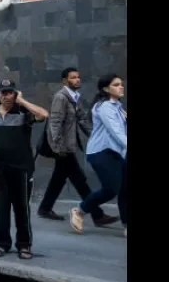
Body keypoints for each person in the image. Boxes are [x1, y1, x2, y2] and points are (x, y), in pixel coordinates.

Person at [39, 68, 116, 225]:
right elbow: (55, 123)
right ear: (65, 81)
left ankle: (45, 208)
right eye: (73, 78)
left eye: (79, 77)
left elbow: (82, 120)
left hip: (67, 147)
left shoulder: (75, 98)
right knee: (79, 180)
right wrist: (58, 147)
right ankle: (97, 214)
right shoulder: (61, 97)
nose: (77, 80)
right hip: (62, 148)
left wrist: (96, 137)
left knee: (59, 178)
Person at [0, 80, 48, 260]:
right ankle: (1, 243)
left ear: (16, 93)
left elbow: (44, 115)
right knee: (1, 208)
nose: (7, 96)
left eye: (10, 93)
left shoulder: (23, 112)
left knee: (22, 208)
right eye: (4, 93)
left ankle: (24, 244)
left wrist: (23, 102)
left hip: (21, 168)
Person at [70, 74, 127, 237]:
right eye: (116, 85)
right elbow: (115, 132)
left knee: (125, 188)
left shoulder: (117, 106)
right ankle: (80, 210)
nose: (121, 87)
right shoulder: (104, 107)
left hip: (118, 152)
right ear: (105, 89)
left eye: (121, 84)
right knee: (111, 188)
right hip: (101, 152)